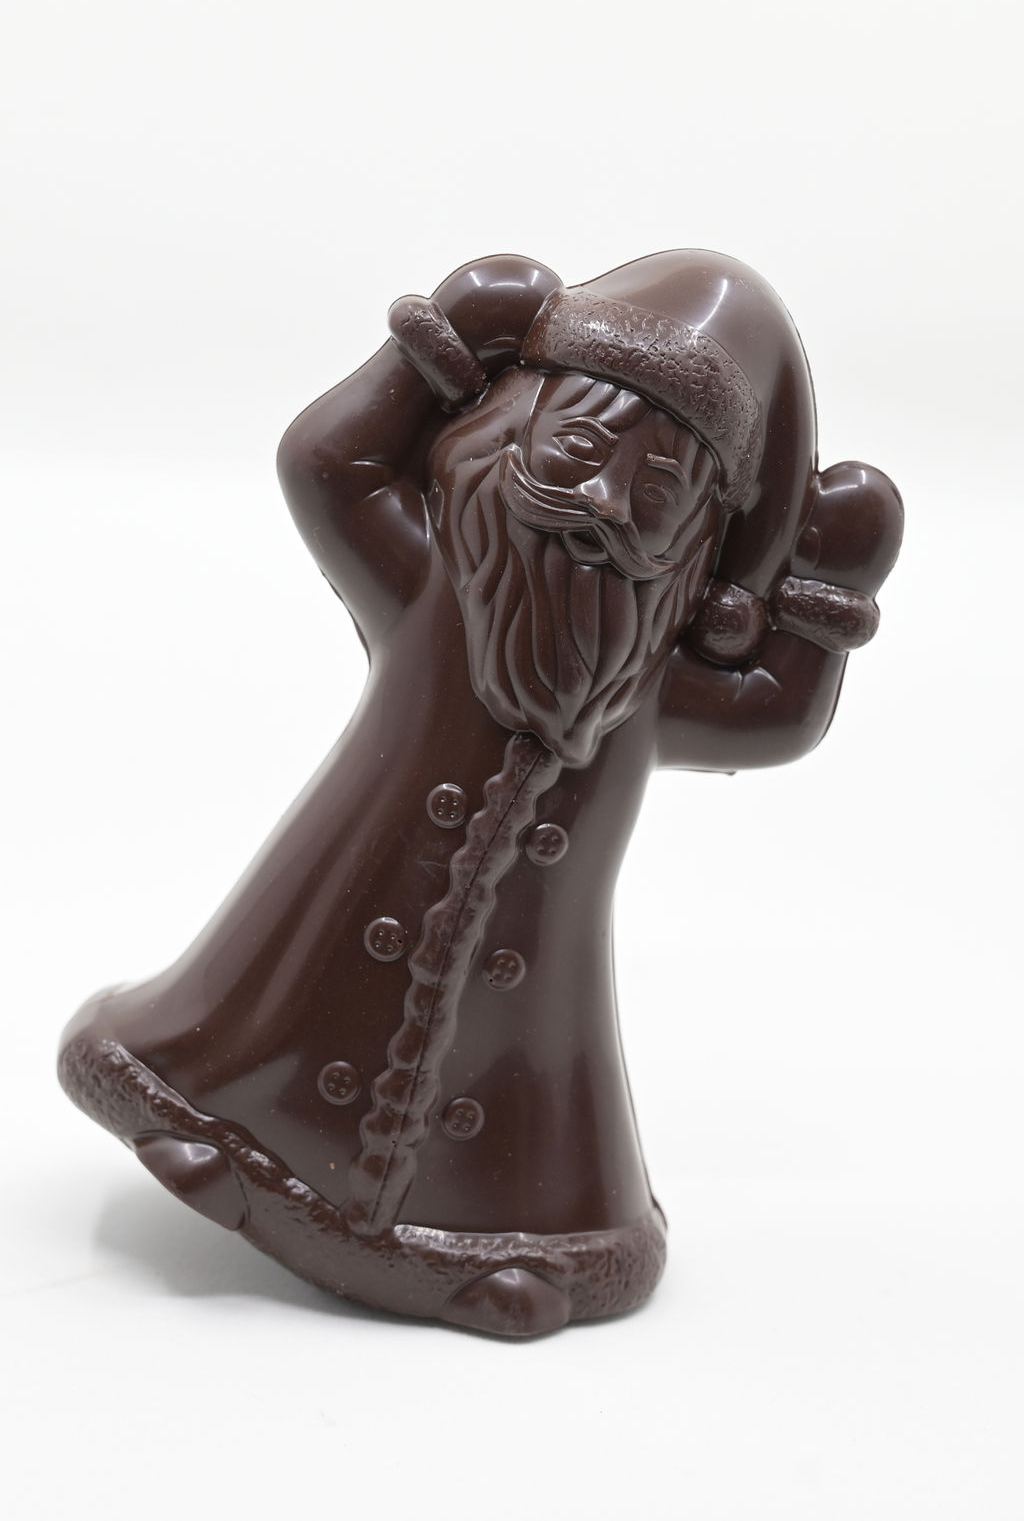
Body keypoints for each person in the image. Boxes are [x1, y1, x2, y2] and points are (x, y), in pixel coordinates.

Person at [60, 251, 902, 1336]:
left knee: (524, 1094)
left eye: (653, 499)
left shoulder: (646, 682)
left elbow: (774, 715)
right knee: (278, 1005)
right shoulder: (434, 580)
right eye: (579, 451)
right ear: (511, 434)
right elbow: (329, 464)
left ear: (694, 548)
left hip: (536, 974)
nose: (599, 506)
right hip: (343, 897)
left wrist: (831, 595)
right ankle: (223, 1127)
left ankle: (508, 1243)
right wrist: (430, 351)